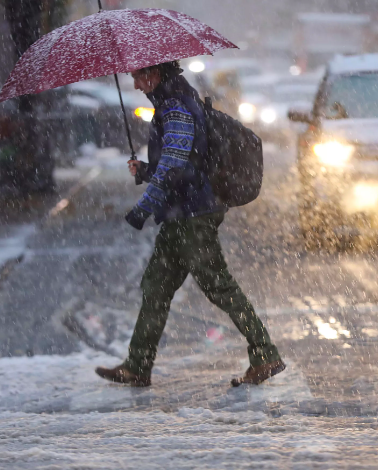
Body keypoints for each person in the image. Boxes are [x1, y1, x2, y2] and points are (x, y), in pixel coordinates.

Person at [95, 61, 285, 387]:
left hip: (193, 215)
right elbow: (177, 163)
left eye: (139, 76)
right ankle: (137, 365)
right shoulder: (173, 103)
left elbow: (174, 167)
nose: (137, 84)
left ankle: (265, 354)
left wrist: (143, 208)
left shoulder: (177, 108)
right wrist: (144, 171)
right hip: (179, 214)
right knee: (156, 287)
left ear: (155, 73)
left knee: (219, 287)